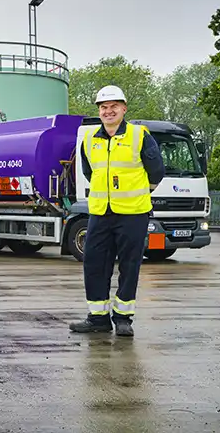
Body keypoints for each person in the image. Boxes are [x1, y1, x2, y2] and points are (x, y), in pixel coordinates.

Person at [69, 85, 165, 337]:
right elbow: (89, 172)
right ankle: (98, 318)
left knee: (129, 264)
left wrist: (141, 191)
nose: (108, 111)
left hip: (133, 213)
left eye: (113, 106)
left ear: (124, 108)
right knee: (94, 263)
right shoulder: (90, 139)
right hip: (101, 212)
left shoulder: (139, 135)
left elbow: (156, 171)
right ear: (99, 111)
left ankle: (123, 318)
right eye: (103, 107)